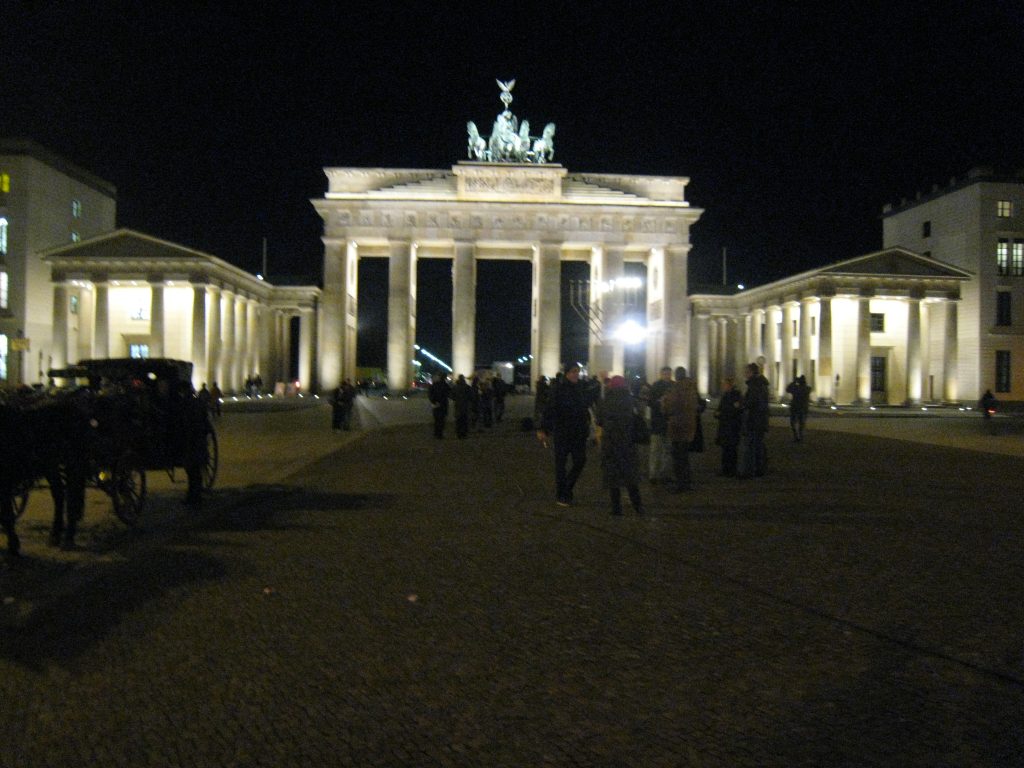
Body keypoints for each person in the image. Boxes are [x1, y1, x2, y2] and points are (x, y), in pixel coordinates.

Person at [538, 363, 599, 506]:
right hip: (562, 432)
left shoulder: (582, 388)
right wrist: (543, 429)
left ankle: (567, 488)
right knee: (561, 465)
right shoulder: (558, 389)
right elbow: (550, 409)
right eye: (573, 371)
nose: (575, 374)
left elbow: (592, 397)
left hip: (579, 432)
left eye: (577, 371)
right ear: (566, 373)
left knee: (580, 461)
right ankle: (562, 495)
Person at [595, 375, 643, 516]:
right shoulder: (631, 400)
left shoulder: (605, 401)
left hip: (610, 442)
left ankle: (616, 508)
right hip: (627, 442)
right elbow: (638, 417)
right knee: (630, 476)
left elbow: (599, 420)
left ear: (611, 386)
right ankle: (638, 506)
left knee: (613, 477)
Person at [661, 366, 700, 493]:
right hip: (689, 426)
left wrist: (663, 402)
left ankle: (681, 484)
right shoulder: (692, 389)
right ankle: (686, 482)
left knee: (678, 458)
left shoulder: (676, 389)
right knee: (685, 457)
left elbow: (668, 407)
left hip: (677, 426)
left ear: (677, 376)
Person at [738, 362, 770, 478]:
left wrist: (742, 403)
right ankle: (759, 469)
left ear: (751, 372)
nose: (745, 374)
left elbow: (752, 403)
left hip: (754, 420)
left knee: (751, 447)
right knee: (758, 446)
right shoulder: (761, 384)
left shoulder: (755, 386)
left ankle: (750, 471)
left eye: (746, 372)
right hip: (759, 420)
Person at [645, 366, 674, 484]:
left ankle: (664, 474)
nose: (667, 376)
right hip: (657, 422)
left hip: (669, 423)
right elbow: (650, 402)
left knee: (667, 450)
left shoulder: (674, 386)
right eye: (665, 374)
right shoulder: (655, 386)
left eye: (668, 374)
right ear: (661, 374)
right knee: (655, 450)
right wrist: (660, 402)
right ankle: (653, 474)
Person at [714, 376, 743, 476]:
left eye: (725, 384)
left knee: (731, 449)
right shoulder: (726, 395)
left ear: (730, 385)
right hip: (725, 425)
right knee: (726, 448)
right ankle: (726, 469)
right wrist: (717, 413)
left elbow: (735, 411)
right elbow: (720, 408)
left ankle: (731, 470)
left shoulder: (735, 395)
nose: (723, 386)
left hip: (731, 426)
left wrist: (721, 414)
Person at [785, 374, 812, 442]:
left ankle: (796, 436)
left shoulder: (796, 388)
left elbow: (787, 389)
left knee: (793, 423)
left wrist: (794, 382)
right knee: (801, 423)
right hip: (803, 408)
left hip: (795, 407)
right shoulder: (807, 388)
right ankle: (800, 436)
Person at [427, 372, 451, 439]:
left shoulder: (434, 385)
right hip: (443, 405)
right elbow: (450, 394)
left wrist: (434, 401)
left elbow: (430, 394)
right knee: (442, 420)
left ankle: (436, 433)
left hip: (436, 405)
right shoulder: (446, 386)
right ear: (445, 378)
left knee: (436, 420)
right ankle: (440, 434)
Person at [452, 374, 473, 439]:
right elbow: (471, 396)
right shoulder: (467, 387)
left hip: (458, 406)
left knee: (458, 421)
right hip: (465, 406)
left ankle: (459, 434)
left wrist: (456, 399)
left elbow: (452, 396)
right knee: (465, 421)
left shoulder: (455, 387)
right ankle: (464, 434)